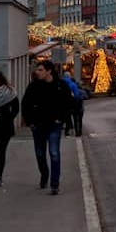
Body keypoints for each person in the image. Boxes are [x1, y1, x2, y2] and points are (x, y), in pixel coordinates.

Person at [21, 61, 75, 195]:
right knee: (40, 153)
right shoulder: (34, 86)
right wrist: (30, 122)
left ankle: (55, 183)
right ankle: (44, 174)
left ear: (49, 71)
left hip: (54, 125)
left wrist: (61, 119)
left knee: (54, 153)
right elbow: (25, 103)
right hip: (38, 125)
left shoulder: (60, 85)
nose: (37, 72)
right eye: (37, 70)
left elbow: (68, 103)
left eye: (40, 70)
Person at [61, 71, 85, 137]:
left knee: (67, 118)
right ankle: (77, 132)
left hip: (62, 104)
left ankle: (66, 132)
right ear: (69, 76)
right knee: (76, 118)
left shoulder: (60, 83)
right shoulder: (72, 84)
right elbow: (76, 95)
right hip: (72, 104)